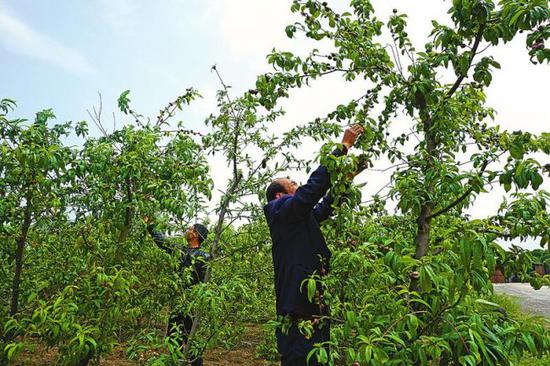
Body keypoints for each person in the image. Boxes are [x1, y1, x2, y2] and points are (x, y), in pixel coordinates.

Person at [263, 124, 365, 365]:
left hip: (313, 300)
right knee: (300, 356)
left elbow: (323, 208)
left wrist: (346, 181)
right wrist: (343, 148)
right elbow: (310, 193)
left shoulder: (296, 217)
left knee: (318, 355)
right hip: (297, 306)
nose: (297, 185)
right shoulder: (278, 211)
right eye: (292, 184)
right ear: (280, 195)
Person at [144, 217, 210, 366]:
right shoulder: (181, 251)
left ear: (197, 235)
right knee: (174, 339)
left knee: (192, 343)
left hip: (192, 305)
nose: (188, 230)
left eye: (191, 229)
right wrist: (150, 225)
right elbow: (162, 242)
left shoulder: (204, 257)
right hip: (177, 303)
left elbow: (205, 284)